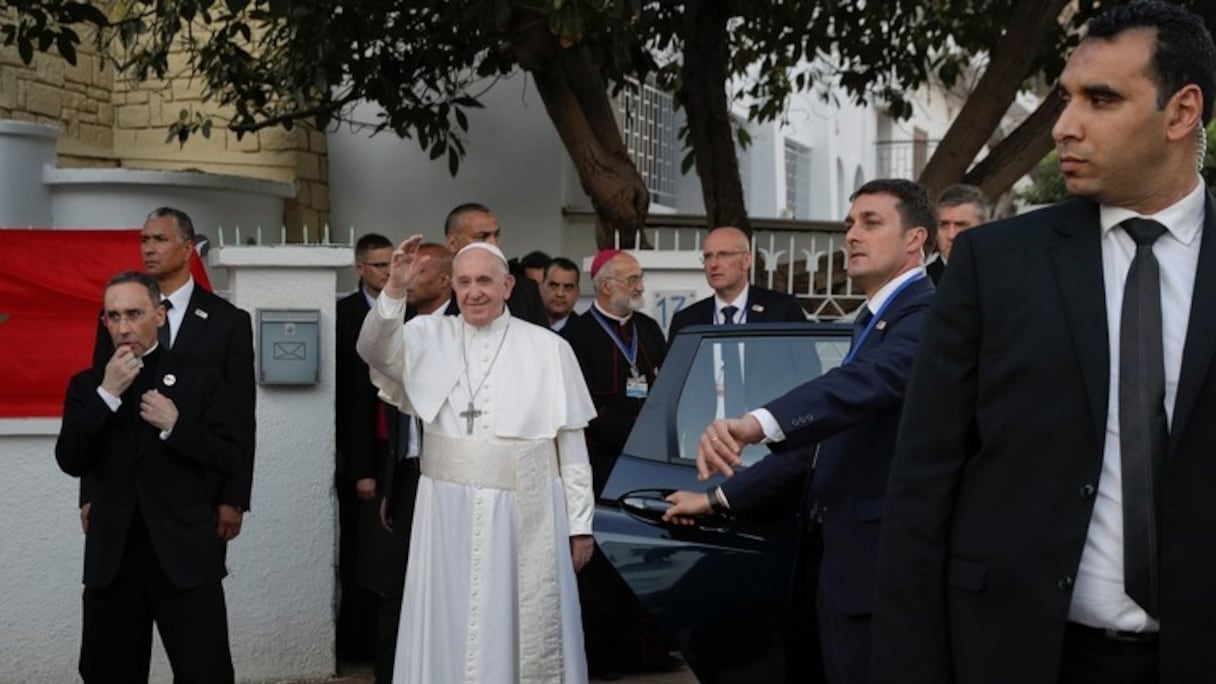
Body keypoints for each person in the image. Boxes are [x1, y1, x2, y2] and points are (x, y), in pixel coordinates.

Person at [870, 3, 1216, 682]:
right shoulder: (995, 265)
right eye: (1066, 98)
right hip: (1022, 653)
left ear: (1181, 114)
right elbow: (922, 482)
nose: (1064, 125)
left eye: (1102, 99)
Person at [670, 179, 936, 684]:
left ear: (915, 239)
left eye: (871, 223)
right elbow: (824, 440)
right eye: (850, 224)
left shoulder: (925, 314)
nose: (853, 235)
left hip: (886, 569)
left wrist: (755, 423)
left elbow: (859, 385)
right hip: (843, 566)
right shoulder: (873, 321)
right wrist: (719, 498)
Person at [356, 237, 596, 683]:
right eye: (464, 282)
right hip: (445, 513)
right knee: (448, 619)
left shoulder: (548, 349)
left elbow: (572, 447)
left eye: (485, 281)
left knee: (512, 620)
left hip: (524, 513)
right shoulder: (427, 335)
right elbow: (373, 350)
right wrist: (393, 291)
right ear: (452, 287)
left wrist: (580, 525)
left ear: (507, 286)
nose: (474, 292)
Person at [57, 271, 242, 683]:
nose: (124, 327)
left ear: (159, 315)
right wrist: (107, 396)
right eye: (114, 316)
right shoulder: (88, 388)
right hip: (114, 561)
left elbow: (229, 455)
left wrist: (177, 426)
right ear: (104, 322)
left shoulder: (198, 378)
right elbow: (70, 458)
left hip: (185, 555)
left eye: (134, 313)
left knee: (205, 672)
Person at [86, 207, 255, 543]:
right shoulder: (117, 318)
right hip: (125, 496)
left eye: (160, 239)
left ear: (188, 248)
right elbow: (101, 404)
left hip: (197, 492)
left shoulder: (227, 322)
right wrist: (90, 491)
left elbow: (239, 415)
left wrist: (233, 497)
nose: (149, 248)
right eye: (144, 240)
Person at [561, 250, 669, 679]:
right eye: (632, 278)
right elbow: (581, 406)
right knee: (603, 564)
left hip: (646, 463)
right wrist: (633, 434)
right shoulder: (577, 335)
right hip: (600, 463)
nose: (640, 285)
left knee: (646, 555)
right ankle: (602, 657)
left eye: (639, 277)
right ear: (605, 285)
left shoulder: (649, 328)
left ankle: (646, 652)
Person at [362, 241, 454, 684]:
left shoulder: (464, 328)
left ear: (443, 279)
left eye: (417, 273)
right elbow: (398, 415)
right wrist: (390, 483)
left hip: (453, 477)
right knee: (396, 586)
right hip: (408, 477)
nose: (407, 280)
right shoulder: (405, 328)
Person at [334, 233, 395, 662]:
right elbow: (348, 400)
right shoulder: (344, 313)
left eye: (393, 264)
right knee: (358, 551)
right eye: (379, 266)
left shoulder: (405, 312)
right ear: (359, 269)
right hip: (361, 452)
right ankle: (357, 646)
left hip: (396, 446)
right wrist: (359, 469)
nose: (388, 273)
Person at [667, 225, 806, 342]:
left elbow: (807, 368)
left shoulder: (782, 310)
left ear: (746, 260)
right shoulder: (686, 321)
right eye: (708, 257)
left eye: (723, 255)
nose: (713, 264)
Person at [442, 202, 548, 326]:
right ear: (453, 243)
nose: (493, 243)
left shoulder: (524, 290)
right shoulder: (433, 288)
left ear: (507, 285)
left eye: (496, 235)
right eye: (482, 237)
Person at [924, 183, 992, 284]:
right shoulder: (920, 286)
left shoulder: (1008, 276)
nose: (951, 235)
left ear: (984, 228)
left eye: (961, 225)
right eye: (944, 225)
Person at [542, 257, 581, 332]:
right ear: (541, 288)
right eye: (553, 286)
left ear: (577, 293)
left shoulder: (588, 332)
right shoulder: (525, 328)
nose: (560, 294)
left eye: (568, 287)